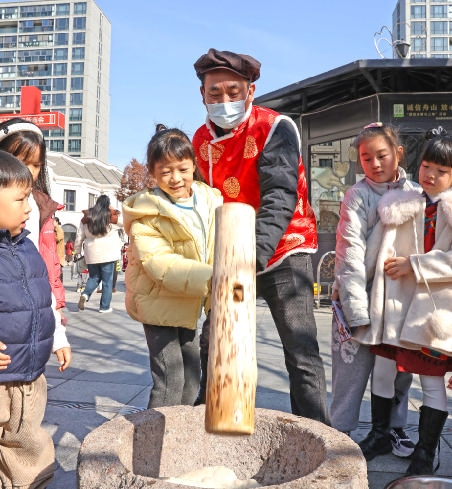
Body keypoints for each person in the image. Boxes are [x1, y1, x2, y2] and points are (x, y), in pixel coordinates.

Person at [192, 48, 328, 423]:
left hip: (284, 249)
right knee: (214, 340)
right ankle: (208, 420)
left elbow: (280, 196)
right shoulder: (199, 140)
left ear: (250, 91)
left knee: (300, 349)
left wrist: (252, 255)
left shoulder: (274, 127)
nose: (224, 100)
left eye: (233, 91)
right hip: (231, 252)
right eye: (215, 92)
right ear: (202, 95)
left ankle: (318, 434)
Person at [356, 127, 452, 475]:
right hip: (395, 304)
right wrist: (351, 283)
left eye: (441, 170)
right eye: (426, 166)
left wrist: (415, 265)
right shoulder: (399, 204)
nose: (430, 175)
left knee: (431, 380)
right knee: (382, 370)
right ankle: (380, 434)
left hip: (431, 311)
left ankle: (425, 452)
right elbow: (374, 250)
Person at [330, 122, 417, 459]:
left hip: (399, 297)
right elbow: (349, 252)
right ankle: (339, 431)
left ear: (398, 153)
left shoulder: (416, 193)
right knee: (349, 374)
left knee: (398, 373)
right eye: (366, 158)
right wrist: (355, 310)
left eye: (382, 155)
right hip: (360, 294)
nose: (375, 164)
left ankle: (394, 427)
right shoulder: (356, 195)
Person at [122, 125, 222, 408]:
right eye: (165, 172)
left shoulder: (209, 199)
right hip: (157, 304)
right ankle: (153, 434)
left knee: (191, 378)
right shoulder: (146, 213)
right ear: (152, 173)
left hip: (188, 303)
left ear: (194, 165)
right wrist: (213, 278)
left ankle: (178, 431)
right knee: (170, 379)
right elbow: (160, 264)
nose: (176, 178)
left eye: (182, 169)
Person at [0, 150, 71, 489]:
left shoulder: (27, 248)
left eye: (28, 197)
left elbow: (45, 301)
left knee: (28, 444)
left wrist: (58, 339)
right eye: (20, 199)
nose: (28, 207)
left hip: (29, 374)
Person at [0, 117, 66, 320]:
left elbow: (48, 259)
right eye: (20, 161)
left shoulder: (40, 206)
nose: (29, 171)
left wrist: (56, 304)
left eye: (36, 165)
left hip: (36, 303)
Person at [74, 195, 122, 313]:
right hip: (108, 253)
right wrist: (113, 209)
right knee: (107, 281)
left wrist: (77, 250)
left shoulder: (87, 217)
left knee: (94, 277)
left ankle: (85, 294)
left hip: (91, 253)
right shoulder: (111, 217)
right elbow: (124, 223)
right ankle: (104, 307)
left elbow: (79, 236)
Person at [54, 216, 65, 281]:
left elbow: (58, 238)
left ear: (57, 222)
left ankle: (60, 282)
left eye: (53, 222)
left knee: (59, 270)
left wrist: (51, 236)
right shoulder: (55, 229)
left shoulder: (59, 230)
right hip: (56, 253)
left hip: (59, 253)